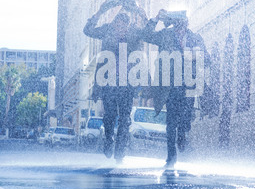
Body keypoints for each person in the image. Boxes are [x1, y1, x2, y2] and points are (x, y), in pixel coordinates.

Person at [143, 9, 210, 169]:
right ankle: (171, 156)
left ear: (187, 23)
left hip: (188, 86)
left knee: (186, 119)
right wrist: (156, 18)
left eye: (184, 21)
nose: (182, 25)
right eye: (179, 22)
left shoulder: (195, 38)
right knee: (171, 121)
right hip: (170, 86)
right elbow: (146, 35)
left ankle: (182, 136)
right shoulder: (165, 35)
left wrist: (196, 57)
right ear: (175, 23)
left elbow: (207, 60)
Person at [83, 9, 148, 163]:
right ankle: (108, 140)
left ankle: (120, 149)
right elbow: (88, 30)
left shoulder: (134, 36)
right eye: (118, 26)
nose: (120, 29)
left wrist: (142, 14)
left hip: (127, 84)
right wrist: (98, 13)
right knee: (109, 116)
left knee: (125, 119)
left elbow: (148, 33)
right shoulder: (107, 32)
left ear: (128, 26)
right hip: (108, 83)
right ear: (114, 26)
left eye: (123, 26)